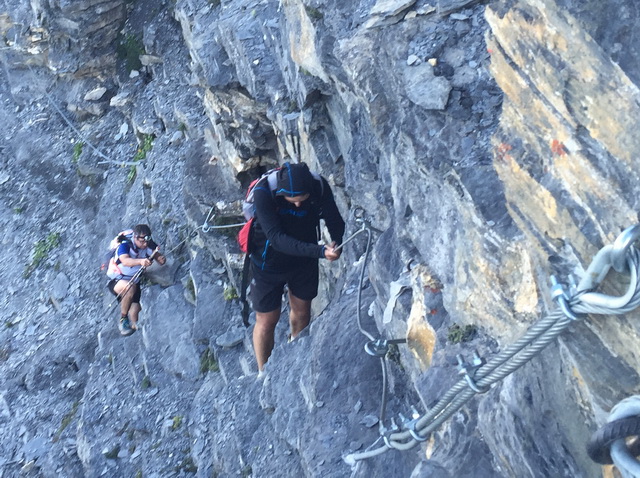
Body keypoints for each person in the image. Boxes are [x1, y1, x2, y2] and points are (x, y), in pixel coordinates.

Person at [248, 162, 345, 374]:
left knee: (302, 312)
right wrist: (320, 252)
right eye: (294, 201)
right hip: (268, 263)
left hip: (303, 261)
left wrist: (337, 243)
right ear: (282, 193)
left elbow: (334, 220)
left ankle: (296, 352)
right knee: (266, 320)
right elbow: (277, 239)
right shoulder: (264, 192)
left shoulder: (318, 186)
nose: (299, 206)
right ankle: (264, 373)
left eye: (303, 200)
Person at [106, 224, 166, 336]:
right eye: (142, 241)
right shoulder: (125, 245)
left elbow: (157, 256)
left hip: (134, 281)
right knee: (129, 288)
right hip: (117, 280)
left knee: (135, 311)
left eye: (147, 241)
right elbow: (125, 261)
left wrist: (160, 259)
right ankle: (123, 319)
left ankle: (134, 329)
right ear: (135, 237)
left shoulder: (148, 244)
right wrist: (141, 261)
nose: (145, 244)